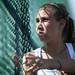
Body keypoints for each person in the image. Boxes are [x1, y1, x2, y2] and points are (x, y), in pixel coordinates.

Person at [23, 3, 75, 75]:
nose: (39, 26)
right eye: (37, 21)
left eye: (44, 20)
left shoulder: (73, 48)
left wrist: (49, 63)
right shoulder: (32, 57)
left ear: (61, 24)